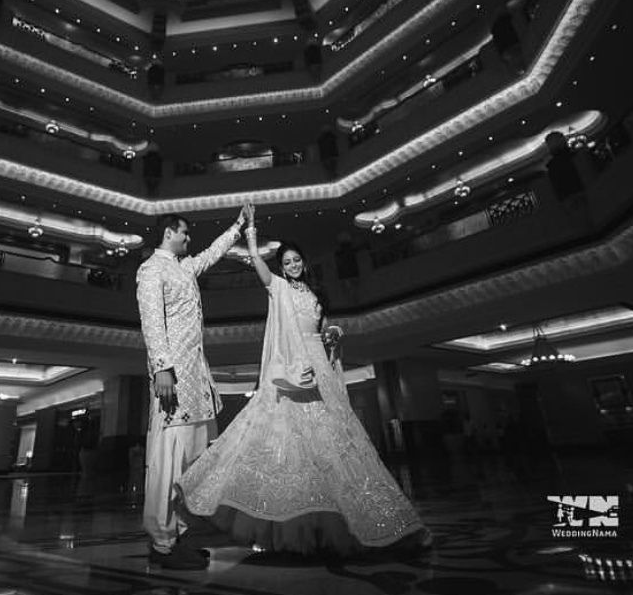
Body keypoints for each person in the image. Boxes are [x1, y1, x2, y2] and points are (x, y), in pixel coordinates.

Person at [178, 206, 430, 555]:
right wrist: (251, 230)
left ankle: (357, 517)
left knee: (337, 443)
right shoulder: (279, 287)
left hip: (320, 369)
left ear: (304, 263)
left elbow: (321, 329)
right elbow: (258, 264)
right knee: (291, 440)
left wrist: (333, 333)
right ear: (282, 267)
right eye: (288, 262)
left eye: (297, 260)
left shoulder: (314, 294)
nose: (293, 265)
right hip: (295, 371)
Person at [137, 206, 249, 570]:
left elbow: (212, 254)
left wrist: (238, 227)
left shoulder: (184, 267)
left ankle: (180, 536)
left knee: (190, 464)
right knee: (168, 461)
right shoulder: (151, 269)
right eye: (184, 232)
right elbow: (152, 321)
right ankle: (162, 543)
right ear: (168, 233)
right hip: (172, 382)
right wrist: (161, 368)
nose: (189, 238)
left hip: (196, 379)